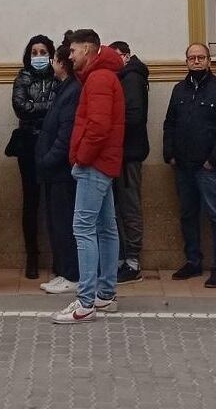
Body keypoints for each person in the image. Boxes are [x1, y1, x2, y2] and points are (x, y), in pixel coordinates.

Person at [54, 30, 124, 325]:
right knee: (106, 228)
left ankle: (85, 302)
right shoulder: (103, 76)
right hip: (104, 163)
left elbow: (98, 126)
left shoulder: (98, 79)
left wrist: (81, 157)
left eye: (72, 51)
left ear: (87, 49)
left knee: (83, 228)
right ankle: (104, 294)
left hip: (94, 163)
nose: (69, 56)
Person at [161, 42, 216, 287]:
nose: (196, 61)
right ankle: (193, 261)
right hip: (183, 165)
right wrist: (169, 153)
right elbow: (169, 123)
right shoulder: (179, 90)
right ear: (186, 61)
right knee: (187, 215)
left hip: (208, 168)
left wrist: (214, 159)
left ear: (209, 61)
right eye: (192, 57)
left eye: (201, 57)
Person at [8, 34, 58, 282]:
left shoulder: (58, 77)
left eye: (43, 52)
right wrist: (48, 108)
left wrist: (37, 108)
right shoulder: (22, 77)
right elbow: (20, 107)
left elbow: (60, 108)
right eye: (34, 52)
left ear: (51, 54)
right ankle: (32, 256)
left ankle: (59, 256)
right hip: (28, 144)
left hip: (52, 144)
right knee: (31, 202)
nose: (39, 56)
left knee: (55, 201)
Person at [36, 45, 81, 296]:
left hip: (61, 171)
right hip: (54, 171)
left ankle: (72, 274)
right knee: (56, 224)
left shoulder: (72, 90)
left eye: (53, 59)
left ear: (62, 63)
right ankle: (64, 270)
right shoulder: (63, 88)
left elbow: (65, 133)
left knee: (65, 224)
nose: (50, 62)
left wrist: (48, 158)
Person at [108, 40, 150, 284]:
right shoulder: (125, 77)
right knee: (120, 208)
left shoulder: (131, 78)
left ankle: (132, 261)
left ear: (125, 56)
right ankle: (124, 258)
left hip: (129, 153)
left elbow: (134, 116)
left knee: (129, 207)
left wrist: (110, 124)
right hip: (123, 153)